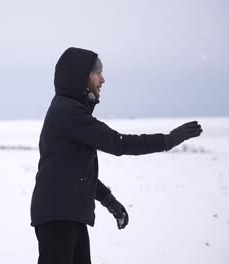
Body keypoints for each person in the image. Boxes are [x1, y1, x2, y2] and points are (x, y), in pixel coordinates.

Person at [30, 47, 203, 264]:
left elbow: (76, 173)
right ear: (81, 76)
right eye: (97, 73)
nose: (103, 80)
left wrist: (109, 201)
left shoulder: (67, 111)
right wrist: (167, 140)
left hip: (65, 215)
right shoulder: (68, 112)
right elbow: (118, 143)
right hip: (59, 217)